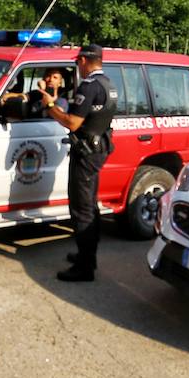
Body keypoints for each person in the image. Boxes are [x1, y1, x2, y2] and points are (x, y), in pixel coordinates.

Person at [39, 44, 117, 282]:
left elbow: (72, 122)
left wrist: (50, 106)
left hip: (86, 153)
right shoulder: (108, 84)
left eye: (78, 62)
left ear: (84, 61)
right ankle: (87, 256)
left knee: (82, 209)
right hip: (98, 148)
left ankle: (85, 268)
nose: (77, 66)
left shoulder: (89, 86)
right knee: (90, 205)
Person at [0, 68, 69, 119]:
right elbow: (22, 96)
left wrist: (43, 90)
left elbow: (57, 114)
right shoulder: (36, 94)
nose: (51, 79)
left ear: (60, 83)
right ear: (43, 78)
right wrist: (5, 97)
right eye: (48, 76)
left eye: (55, 77)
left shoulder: (61, 101)